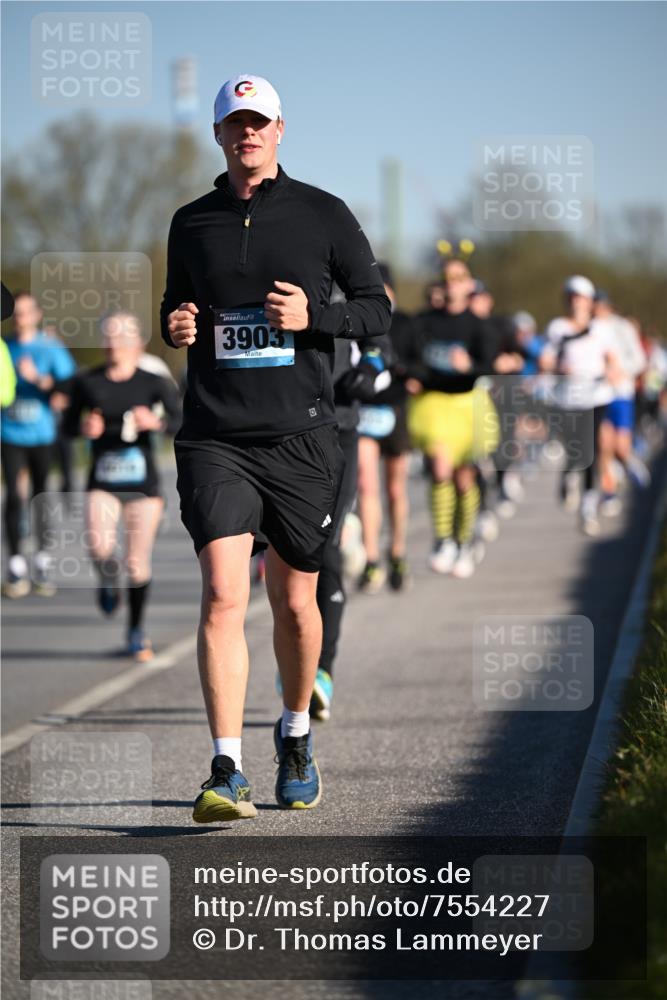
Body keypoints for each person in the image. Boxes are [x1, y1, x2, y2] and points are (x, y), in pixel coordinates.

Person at [160, 75, 390, 821]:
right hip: (216, 436)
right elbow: (174, 306)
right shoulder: (190, 222)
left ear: (280, 129)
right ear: (219, 134)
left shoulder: (324, 213)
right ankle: (226, 769)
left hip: (302, 437)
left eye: (259, 122)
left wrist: (315, 314)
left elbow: (376, 311)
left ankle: (294, 736)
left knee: (293, 602)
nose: (248, 133)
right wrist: (176, 324)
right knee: (225, 594)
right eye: (236, 123)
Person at [63, 312, 181, 660]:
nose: (115, 342)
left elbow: (181, 421)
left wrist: (155, 422)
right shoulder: (88, 382)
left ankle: (136, 631)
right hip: (102, 480)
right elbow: (67, 426)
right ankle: (107, 578)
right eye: (109, 335)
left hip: (143, 484)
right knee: (99, 548)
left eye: (122, 335)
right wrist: (85, 429)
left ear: (138, 342)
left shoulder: (153, 382)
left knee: (135, 561)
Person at [407, 258, 498, 579]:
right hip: (433, 403)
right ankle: (443, 539)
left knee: (464, 479)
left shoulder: (479, 325)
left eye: (459, 278)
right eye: (447, 278)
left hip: (467, 404)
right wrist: (414, 376)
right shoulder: (425, 321)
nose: (452, 284)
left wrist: (469, 366)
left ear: (468, 284)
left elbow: (489, 366)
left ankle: (464, 541)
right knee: (440, 468)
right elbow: (409, 357)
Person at [1, 292, 76, 597]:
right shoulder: (4, 346)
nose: (19, 318)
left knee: (40, 495)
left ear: (36, 315)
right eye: (16, 313)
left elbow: (69, 387)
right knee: (14, 495)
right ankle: (16, 563)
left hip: (43, 434)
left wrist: (38, 379)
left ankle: (42, 560)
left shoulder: (50, 347)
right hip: (10, 433)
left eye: (25, 312)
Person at [541, 276, 621, 536]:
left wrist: (612, 371)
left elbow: (613, 360)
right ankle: (568, 475)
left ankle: (588, 505)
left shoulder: (601, 329)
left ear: (589, 301)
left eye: (580, 297)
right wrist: (557, 367)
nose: (576, 302)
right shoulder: (558, 328)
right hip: (567, 397)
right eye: (571, 297)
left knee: (592, 449)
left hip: (595, 395)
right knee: (574, 447)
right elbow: (545, 360)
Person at [357, 262, 419, 593]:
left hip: (395, 409)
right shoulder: (357, 318)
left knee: (395, 489)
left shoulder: (405, 323)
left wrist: (410, 374)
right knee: (366, 486)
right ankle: (371, 561)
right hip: (364, 410)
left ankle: (397, 552)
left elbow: (419, 362)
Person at [592, 290, 649, 512]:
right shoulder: (589, 328)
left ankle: (628, 463)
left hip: (621, 393)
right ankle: (609, 492)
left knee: (621, 447)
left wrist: (621, 372)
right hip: (598, 394)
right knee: (604, 445)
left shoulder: (622, 327)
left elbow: (639, 359)